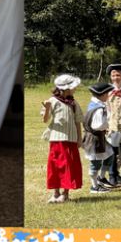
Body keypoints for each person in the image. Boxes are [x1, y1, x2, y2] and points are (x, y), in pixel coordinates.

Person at [42, 74, 83, 203]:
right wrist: (47, 109)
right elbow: (45, 120)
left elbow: (78, 121)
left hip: (71, 139)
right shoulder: (53, 101)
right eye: (73, 87)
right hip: (57, 139)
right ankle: (55, 193)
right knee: (56, 166)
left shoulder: (73, 103)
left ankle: (65, 194)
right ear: (65, 89)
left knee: (69, 166)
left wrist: (79, 138)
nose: (75, 89)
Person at [82, 82, 114, 194]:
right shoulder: (98, 108)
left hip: (99, 137)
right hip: (94, 139)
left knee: (110, 155)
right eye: (107, 93)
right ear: (102, 94)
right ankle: (94, 186)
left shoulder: (95, 104)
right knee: (95, 162)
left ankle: (101, 178)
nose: (108, 95)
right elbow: (98, 125)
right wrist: (108, 124)